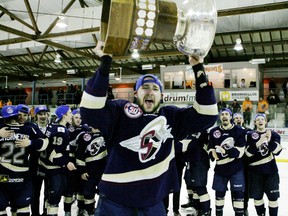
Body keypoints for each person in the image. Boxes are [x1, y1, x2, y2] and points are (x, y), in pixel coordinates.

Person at [79, 41, 218, 216]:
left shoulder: (171, 117)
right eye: (145, 88)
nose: (150, 92)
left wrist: (198, 68)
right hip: (115, 202)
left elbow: (207, 115)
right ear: (135, 94)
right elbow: (89, 111)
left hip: (153, 203)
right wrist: (105, 62)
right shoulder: (121, 111)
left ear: (162, 95)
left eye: (155, 89)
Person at [0, 105, 48, 215]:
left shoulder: (3, 127)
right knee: (22, 207)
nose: (21, 117)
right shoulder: (28, 128)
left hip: (6, 176)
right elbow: (44, 142)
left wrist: (30, 143)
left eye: (24, 115)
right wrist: (31, 143)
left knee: (3, 207)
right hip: (21, 174)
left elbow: (44, 142)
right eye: (19, 115)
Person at [38, 105, 77, 216]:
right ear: (63, 115)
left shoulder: (52, 126)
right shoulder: (61, 130)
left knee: (49, 197)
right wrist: (67, 163)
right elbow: (53, 154)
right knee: (54, 199)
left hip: (47, 168)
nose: (72, 115)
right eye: (70, 113)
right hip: (55, 170)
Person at [208, 108, 246, 216]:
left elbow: (240, 151)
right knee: (219, 196)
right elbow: (210, 147)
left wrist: (227, 151)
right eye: (222, 114)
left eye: (226, 114)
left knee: (238, 196)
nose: (224, 116)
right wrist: (212, 153)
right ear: (220, 117)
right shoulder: (213, 131)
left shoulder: (239, 131)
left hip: (236, 169)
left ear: (230, 117)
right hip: (220, 169)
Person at [245, 113, 282, 216]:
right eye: (258, 119)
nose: (260, 121)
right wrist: (259, 142)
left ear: (266, 121)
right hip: (255, 173)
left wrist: (269, 141)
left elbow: (278, 151)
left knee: (273, 198)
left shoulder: (274, 134)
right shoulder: (249, 135)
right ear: (255, 122)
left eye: (262, 119)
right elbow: (247, 154)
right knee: (257, 198)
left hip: (271, 172)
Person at [76, 127, 107, 216]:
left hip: (104, 171)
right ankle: (89, 212)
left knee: (105, 194)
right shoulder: (83, 136)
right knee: (88, 193)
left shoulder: (107, 134)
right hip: (90, 171)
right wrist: (82, 171)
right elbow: (80, 154)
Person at [181, 131, 212, 216]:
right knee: (193, 187)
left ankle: (206, 212)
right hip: (192, 161)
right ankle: (197, 210)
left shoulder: (203, 129)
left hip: (200, 161)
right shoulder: (191, 128)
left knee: (200, 187)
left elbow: (204, 144)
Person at [30, 105, 50, 216]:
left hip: (48, 165)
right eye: (40, 114)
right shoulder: (31, 128)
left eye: (44, 114)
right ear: (36, 116)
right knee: (35, 192)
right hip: (34, 164)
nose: (42, 116)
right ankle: (35, 214)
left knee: (48, 192)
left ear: (48, 115)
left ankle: (46, 213)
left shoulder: (53, 128)